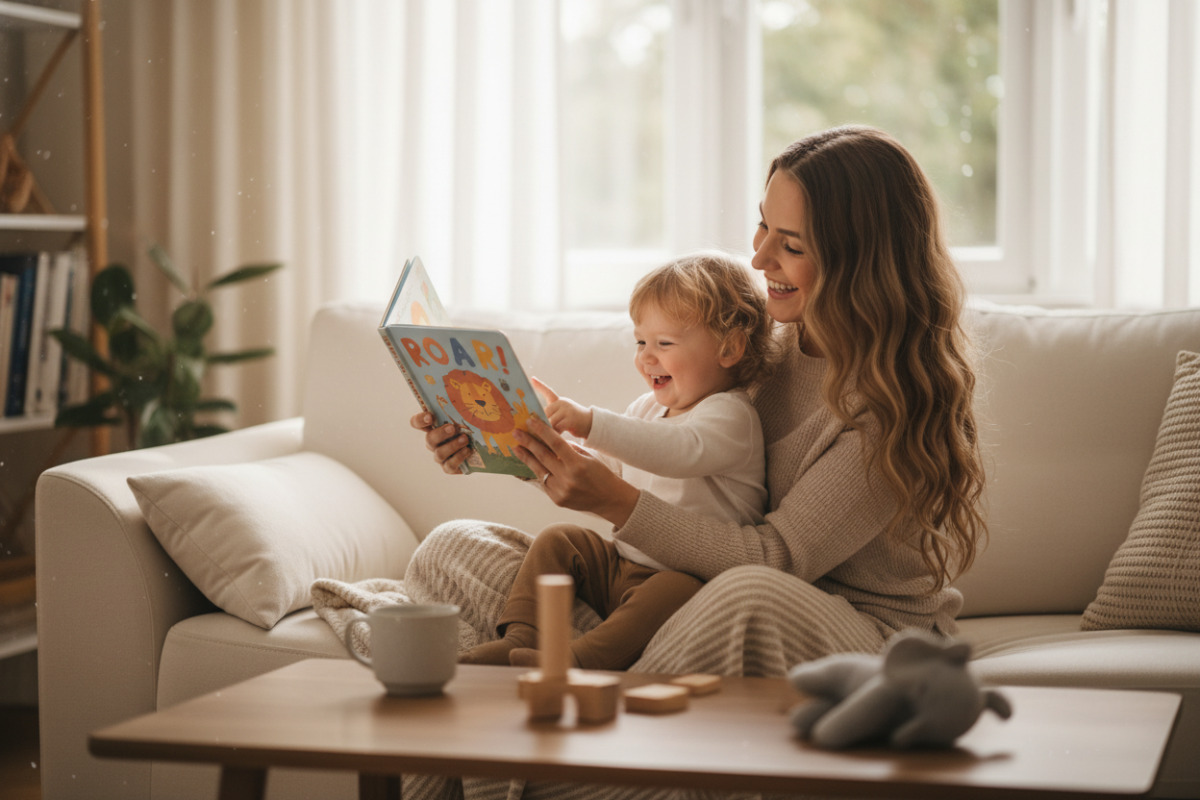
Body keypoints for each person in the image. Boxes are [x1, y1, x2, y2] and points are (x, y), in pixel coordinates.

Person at [404, 124, 986, 797]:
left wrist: (615, 505)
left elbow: (776, 559)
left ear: (861, 262)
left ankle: (520, 754)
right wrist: (498, 442)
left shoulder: (893, 404)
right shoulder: (762, 348)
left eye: (790, 245)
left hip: (852, 632)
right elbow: (666, 449)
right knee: (454, 549)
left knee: (748, 596)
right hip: (687, 590)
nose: (759, 257)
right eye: (762, 226)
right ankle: (547, 686)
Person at [459, 252, 776, 671]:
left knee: (675, 589)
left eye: (664, 344)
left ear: (730, 348)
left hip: (685, 577)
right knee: (560, 539)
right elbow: (610, 475)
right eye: (641, 342)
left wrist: (591, 423)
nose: (646, 357)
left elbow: (677, 450)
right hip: (622, 563)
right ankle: (522, 636)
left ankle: (579, 658)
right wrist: (534, 449)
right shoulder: (647, 408)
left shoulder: (730, 415)